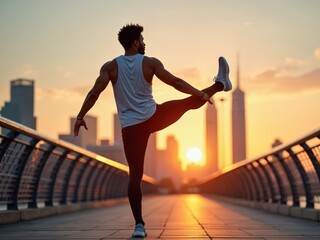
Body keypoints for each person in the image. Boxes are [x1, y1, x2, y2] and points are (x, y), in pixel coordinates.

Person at [73, 23, 232, 238]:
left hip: (131, 128)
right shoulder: (149, 63)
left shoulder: (110, 67)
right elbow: (175, 82)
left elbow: (94, 93)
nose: (145, 43)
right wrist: (200, 94)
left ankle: (139, 226)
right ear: (136, 42)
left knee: (135, 175)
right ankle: (220, 85)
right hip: (153, 117)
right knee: (186, 104)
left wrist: (80, 116)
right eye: (143, 40)